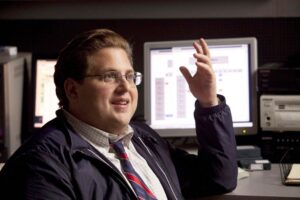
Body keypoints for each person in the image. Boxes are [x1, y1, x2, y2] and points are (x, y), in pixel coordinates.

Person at [0, 29, 237, 199]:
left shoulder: (141, 138)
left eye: (130, 76)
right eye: (109, 76)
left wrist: (208, 102)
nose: (125, 88)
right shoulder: (40, 164)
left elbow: (216, 179)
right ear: (72, 89)